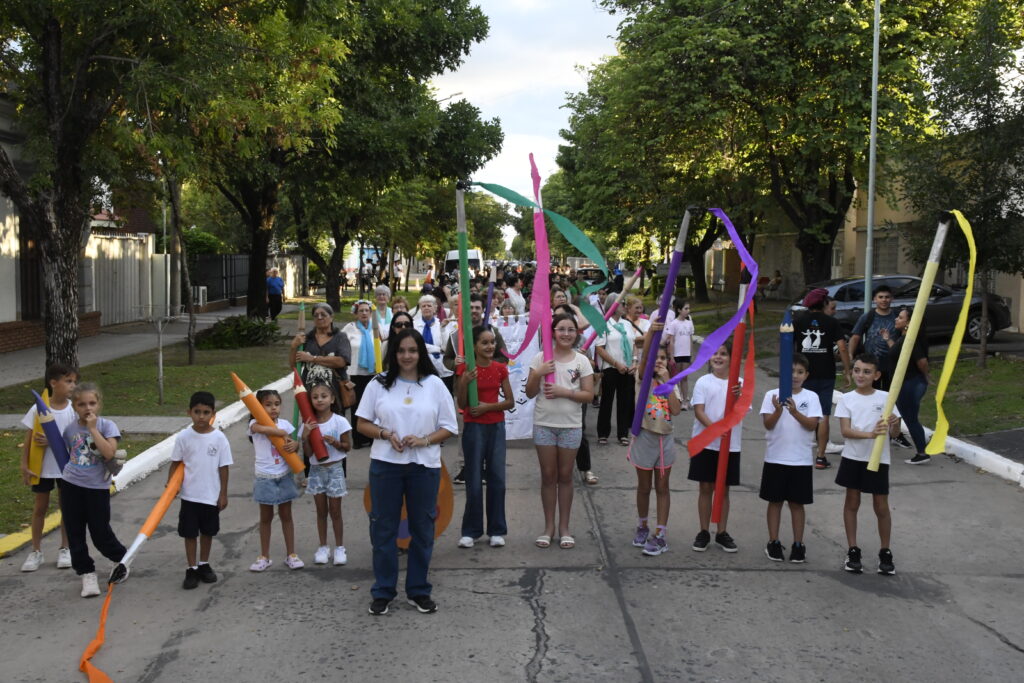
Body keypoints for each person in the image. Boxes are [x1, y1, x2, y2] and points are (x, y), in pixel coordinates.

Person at [356, 328, 458, 616]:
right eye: (401, 351)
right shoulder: (378, 384)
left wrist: (424, 439)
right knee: (383, 529)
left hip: (423, 468)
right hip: (386, 466)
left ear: (420, 353)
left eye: (412, 350)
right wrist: (385, 434)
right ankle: (383, 591)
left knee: (422, 529)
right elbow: (361, 423)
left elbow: (450, 427)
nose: (407, 356)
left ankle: (418, 590)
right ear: (394, 354)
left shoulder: (435, 385)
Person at [525, 313, 595, 550]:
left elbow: (589, 394)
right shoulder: (540, 358)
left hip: (571, 427)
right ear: (552, 332)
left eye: (571, 330)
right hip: (544, 424)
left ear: (577, 333)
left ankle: (564, 528)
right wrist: (538, 372)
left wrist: (565, 392)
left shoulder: (581, 361)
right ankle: (548, 528)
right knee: (548, 476)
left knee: (566, 476)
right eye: (561, 329)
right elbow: (530, 392)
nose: (566, 334)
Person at [835, 354, 901, 575]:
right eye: (857, 370)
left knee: (881, 506)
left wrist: (893, 424)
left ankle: (885, 552)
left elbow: (895, 432)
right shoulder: (847, 399)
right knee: (852, 503)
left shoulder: (886, 398)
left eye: (866, 371)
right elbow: (845, 431)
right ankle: (853, 550)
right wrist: (870, 435)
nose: (860, 375)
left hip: (878, 460)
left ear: (877, 375)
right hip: (853, 459)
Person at [59, 383, 126, 597]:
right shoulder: (69, 429)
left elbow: (108, 453)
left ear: (98, 404)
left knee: (100, 532)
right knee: (74, 532)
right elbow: (71, 454)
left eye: (92, 403)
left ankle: (122, 559)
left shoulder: (107, 426)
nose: (87, 408)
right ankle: (86, 573)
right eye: (81, 404)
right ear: (74, 406)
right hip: (71, 485)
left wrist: (93, 429)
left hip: (96, 488)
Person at [759, 353, 822, 563]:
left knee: (797, 504)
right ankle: (773, 542)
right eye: (791, 371)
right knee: (774, 502)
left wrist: (795, 412)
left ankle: (798, 544)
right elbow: (768, 424)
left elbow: (812, 425)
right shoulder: (771, 395)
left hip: (800, 460)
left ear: (806, 375)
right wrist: (778, 411)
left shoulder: (811, 397)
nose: (795, 376)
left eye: (800, 372)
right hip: (776, 458)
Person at [455, 326, 513, 549]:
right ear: (475, 346)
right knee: (474, 480)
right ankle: (471, 530)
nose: (490, 347)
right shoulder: (466, 369)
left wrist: (488, 407)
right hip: (473, 428)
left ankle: (497, 530)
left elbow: (509, 401)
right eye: (485, 343)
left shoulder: (500, 369)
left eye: (492, 342)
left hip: (496, 427)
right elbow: (462, 404)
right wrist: (464, 382)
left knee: (497, 478)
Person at [169, 391, 233, 589]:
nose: (201, 417)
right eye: (197, 412)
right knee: (190, 534)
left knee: (207, 532)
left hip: (211, 496)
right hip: (189, 496)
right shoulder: (184, 437)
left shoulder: (219, 438)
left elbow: (224, 467)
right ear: (189, 412)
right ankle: (192, 568)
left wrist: (223, 493)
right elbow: (176, 463)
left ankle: (204, 564)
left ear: (213, 413)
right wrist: (171, 485)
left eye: (206, 412)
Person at [18, 363, 77, 572]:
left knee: (66, 509)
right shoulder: (38, 408)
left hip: (65, 468)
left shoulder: (73, 410)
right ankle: (36, 551)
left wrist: (53, 441)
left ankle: (65, 548)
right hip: (42, 468)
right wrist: (24, 465)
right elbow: (28, 439)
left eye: (74, 382)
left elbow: (77, 441)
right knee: (39, 509)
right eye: (68, 381)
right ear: (53, 383)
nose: (72, 386)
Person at [628, 335, 682, 557]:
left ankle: (660, 533)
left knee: (662, 488)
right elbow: (642, 367)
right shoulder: (642, 379)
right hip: (644, 438)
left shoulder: (669, 382)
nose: (658, 361)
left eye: (662, 358)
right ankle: (642, 525)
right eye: (654, 358)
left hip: (665, 440)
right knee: (643, 487)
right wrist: (652, 332)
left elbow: (676, 410)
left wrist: (668, 381)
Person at [689, 344, 743, 553]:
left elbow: (741, 412)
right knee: (705, 487)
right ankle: (703, 531)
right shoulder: (704, 382)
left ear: (731, 357)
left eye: (723, 354)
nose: (718, 357)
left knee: (724, 489)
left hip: (730, 445)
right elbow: (699, 411)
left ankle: (721, 532)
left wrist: (738, 397)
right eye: (715, 353)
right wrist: (715, 429)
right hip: (706, 441)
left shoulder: (739, 384)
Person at [793, 287, 851, 470]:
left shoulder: (798, 321)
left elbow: (788, 345)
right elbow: (842, 347)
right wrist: (848, 370)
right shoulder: (832, 322)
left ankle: (796, 452)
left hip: (803, 373)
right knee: (823, 414)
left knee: (800, 409)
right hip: (826, 373)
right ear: (825, 303)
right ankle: (820, 456)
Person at [246, 389, 302, 572]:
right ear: (258, 408)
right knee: (266, 518)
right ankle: (264, 556)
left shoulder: (285, 424)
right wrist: (279, 431)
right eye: (268, 405)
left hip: (284, 476)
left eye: (277, 404)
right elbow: (263, 429)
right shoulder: (254, 424)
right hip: (265, 477)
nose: (273, 408)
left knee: (287, 516)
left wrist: (296, 444)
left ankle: (291, 554)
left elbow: (293, 445)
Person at [302, 381, 352, 566]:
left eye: (324, 396)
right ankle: (323, 547)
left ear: (332, 399)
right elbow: (307, 454)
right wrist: (305, 437)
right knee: (321, 512)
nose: (319, 400)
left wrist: (336, 443)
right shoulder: (309, 423)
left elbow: (348, 447)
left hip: (335, 469)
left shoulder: (339, 421)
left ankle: (340, 547)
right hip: (316, 471)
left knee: (335, 511)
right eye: (315, 397)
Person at [882, 307, 932, 464]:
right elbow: (898, 353)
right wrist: (887, 339)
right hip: (907, 384)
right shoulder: (904, 339)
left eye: (901, 317)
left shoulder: (911, 339)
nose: (896, 319)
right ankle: (921, 446)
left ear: (909, 323)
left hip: (910, 383)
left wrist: (926, 376)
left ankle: (922, 453)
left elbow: (922, 361)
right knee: (909, 417)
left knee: (910, 419)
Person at [596, 294, 639, 446]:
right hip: (611, 368)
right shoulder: (603, 324)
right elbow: (600, 348)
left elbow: (633, 344)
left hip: (627, 368)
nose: (625, 306)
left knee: (625, 402)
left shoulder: (626, 323)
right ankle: (603, 433)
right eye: (622, 303)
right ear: (613, 305)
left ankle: (623, 434)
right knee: (607, 401)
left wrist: (634, 362)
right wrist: (616, 363)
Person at [342, 300, 379, 449]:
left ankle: (372, 437)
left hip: (373, 373)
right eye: (361, 311)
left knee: (373, 406)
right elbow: (341, 346)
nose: (364, 313)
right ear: (356, 313)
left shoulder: (376, 328)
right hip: (355, 374)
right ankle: (358, 439)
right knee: (357, 407)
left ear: (371, 313)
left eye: (367, 311)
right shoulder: (349, 329)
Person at [290, 302, 351, 391]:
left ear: (331, 318)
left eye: (323, 315)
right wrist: (293, 347)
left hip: (335, 391)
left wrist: (312, 358)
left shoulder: (340, 337)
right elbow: (294, 366)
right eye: (316, 315)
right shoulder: (306, 339)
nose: (319, 317)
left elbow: (341, 362)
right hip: (310, 391)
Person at [849, 285, 897, 389]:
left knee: (889, 394)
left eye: (887, 297)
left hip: (892, 363)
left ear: (892, 299)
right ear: (875, 299)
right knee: (871, 392)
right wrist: (850, 355)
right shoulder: (867, 316)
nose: (884, 300)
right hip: (871, 364)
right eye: (880, 297)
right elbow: (855, 337)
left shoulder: (897, 317)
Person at [412, 294, 453, 390]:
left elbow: (446, 347)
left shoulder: (442, 324)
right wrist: (437, 349)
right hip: (421, 366)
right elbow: (418, 345)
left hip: (441, 367)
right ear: (420, 309)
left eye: (429, 305)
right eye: (423, 306)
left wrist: (443, 329)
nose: (426, 308)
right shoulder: (414, 325)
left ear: (435, 308)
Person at [663, 299, 694, 409]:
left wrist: (691, 353)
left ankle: (685, 401)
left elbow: (690, 339)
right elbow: (671, 341)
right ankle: (675, 400)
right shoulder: (673, 324)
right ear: (679, 310)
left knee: (684, 378)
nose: (688, 311)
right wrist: (671, 356)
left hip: (686, 354)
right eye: (686, 308)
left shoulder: (689, 323)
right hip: (676, 354)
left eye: (688, 308)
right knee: (675, 378)